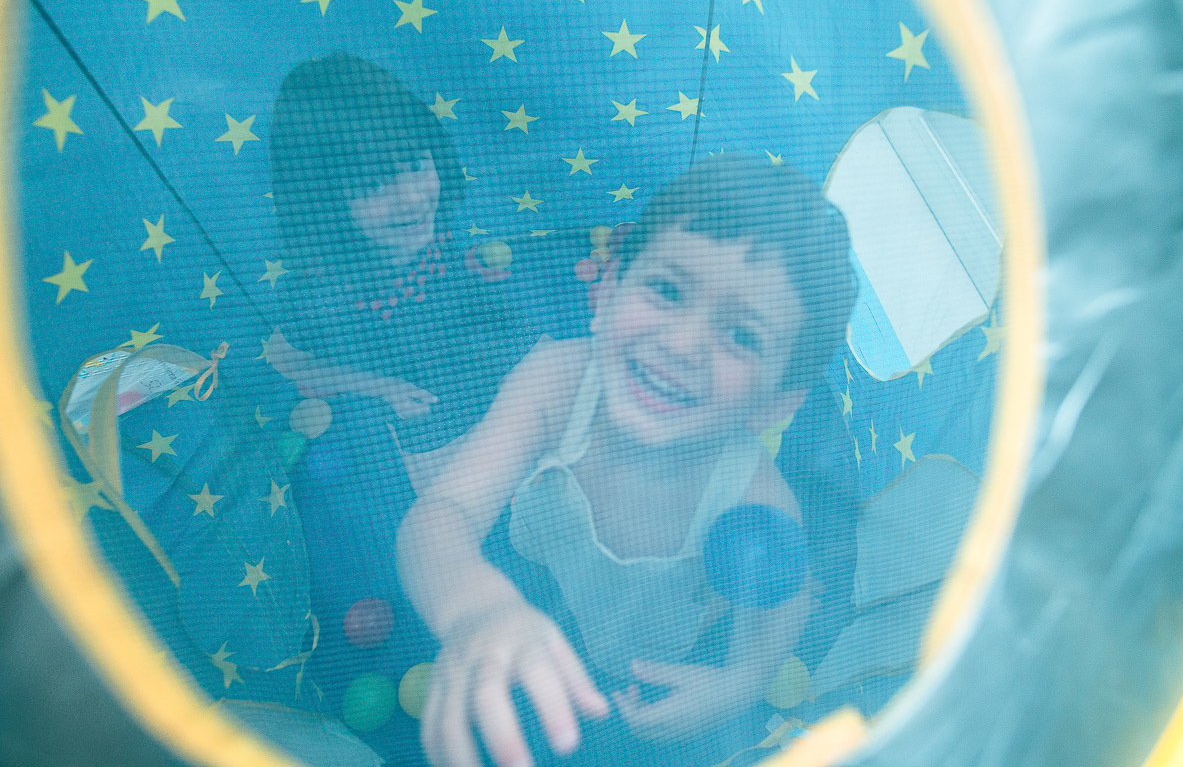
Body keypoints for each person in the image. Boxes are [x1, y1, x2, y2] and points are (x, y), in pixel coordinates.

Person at [398, 153, 859, 766]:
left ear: (775, 402)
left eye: (741, 335)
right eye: (666, 290)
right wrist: (477, 607)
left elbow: (788, 598)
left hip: (650, 632)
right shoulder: (556, 385)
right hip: (544, 564)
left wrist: (741, 681)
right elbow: (443, 513)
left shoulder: (758, 502)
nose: (681, 343)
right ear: (608, 291)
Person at [267, 52, 533, 761]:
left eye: (416, 164)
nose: (412, 197)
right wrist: (379, 388)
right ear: (327, 201)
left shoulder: (441, 239)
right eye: (373, 186)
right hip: (419, 426)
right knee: (458, 519)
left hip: (476, 379)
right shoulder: (322, 291)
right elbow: (283, 359)